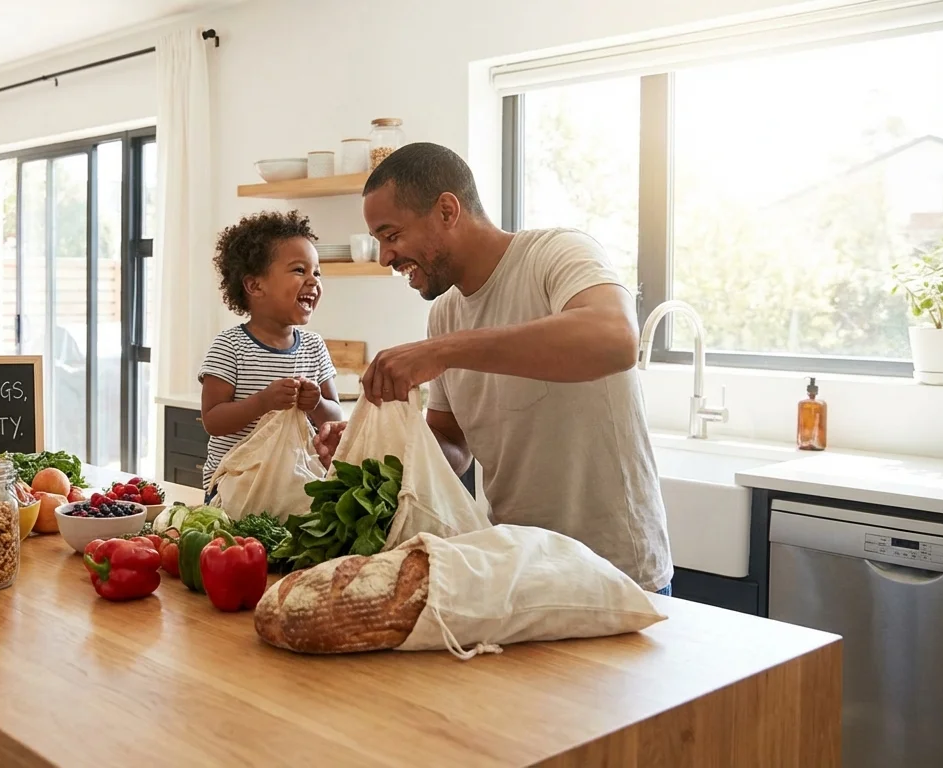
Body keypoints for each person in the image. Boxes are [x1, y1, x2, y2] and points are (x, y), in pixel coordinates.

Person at [314, 143, 671, 594]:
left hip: (617, 572)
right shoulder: (444, 314)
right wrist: (381, 452)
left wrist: (442, 351)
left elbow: (616, 339)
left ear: (447, 210)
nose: (385, 257)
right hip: (517, 570)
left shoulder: (556, 254)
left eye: (392, 235)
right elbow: (452, 445)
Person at [199, 210, 343, 496]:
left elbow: (335, 417)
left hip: (298, 488)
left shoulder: (314, 347)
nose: (313, 281)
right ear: (255, 285)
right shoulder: (230, 347)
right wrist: (263, 402)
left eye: (317, 272)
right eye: (299, 270)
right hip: (234, 487)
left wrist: (316, 404)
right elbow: (212, 420)